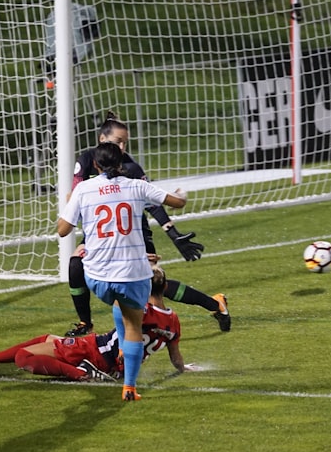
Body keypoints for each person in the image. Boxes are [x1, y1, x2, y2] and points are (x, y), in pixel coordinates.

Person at [63, 111, 231, 338]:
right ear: (103, 140)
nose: (122, 147)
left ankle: (214, 304)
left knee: (155, 287)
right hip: (101, 235)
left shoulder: (131, 168)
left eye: (125, 142)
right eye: (118, 141)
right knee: (75, 266)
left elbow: (153, 203)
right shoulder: (86, 162)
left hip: (134, 235)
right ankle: (86, 323)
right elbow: (74, 197)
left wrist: (173, 234)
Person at [57, 141, 186, 401]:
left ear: (95, 164)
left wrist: (71, 205)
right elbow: (177, 202)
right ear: (122, 162)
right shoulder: (136, 185)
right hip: (131, 276)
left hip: (96, 277)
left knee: (118, 302)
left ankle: (119, 349)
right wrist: (182, 194)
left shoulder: (84, 188)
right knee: (133, 324)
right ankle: (129, 387)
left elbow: (62, 230)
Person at [0, 266, 193, 381]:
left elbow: (117, 302)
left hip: (99, 352)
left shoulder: (141, 309)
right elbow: (176, 358)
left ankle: (82, 373)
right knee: (47, 339)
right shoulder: (173, 321)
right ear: (166, 288)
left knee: (23, 358)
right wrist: (185, 369)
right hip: (117, 365)